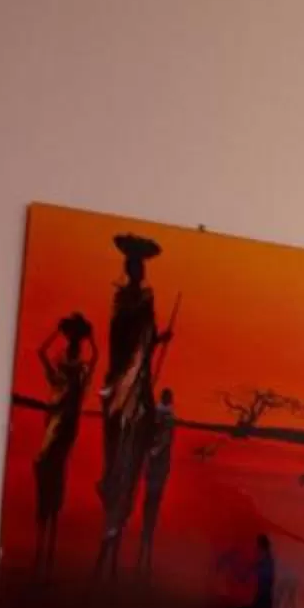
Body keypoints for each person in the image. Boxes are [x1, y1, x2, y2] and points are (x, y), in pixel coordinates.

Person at [94, 233, 172, 580]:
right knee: (115, 422)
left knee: (150, 419)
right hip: (124, 374)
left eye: (140, 266)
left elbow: (147, 337)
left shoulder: (146, 298)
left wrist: (158, 340)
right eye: (134, 265)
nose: (137, 271)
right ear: (129, 268)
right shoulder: (123, 298)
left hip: (139, 377)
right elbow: (119, 336)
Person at [28, 314, 95, 575]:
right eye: (73, 342)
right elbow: (42, 353)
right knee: (45, 467)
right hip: (57, 423)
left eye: (73, 342)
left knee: (47, 466)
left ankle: (46, 548)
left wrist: (85, 341)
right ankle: (43, 546)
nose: (73, 346)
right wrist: (60, 333)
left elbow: (91, 362)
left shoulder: (76, 373)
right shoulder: (68, 372)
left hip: (62, 427)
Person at [135, 388, 178, 578]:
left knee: (152, 499)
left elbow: (164, 441)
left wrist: (153, 451)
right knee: (151, 498)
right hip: (155, 463)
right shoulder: (162, 416)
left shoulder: (166, 417)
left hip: (157, 463)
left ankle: (147, 538)